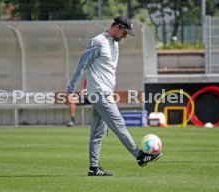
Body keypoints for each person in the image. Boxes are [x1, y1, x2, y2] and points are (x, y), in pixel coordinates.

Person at [66, 16, 162, 176]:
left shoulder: (114, 44)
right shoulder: (97, 42)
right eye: (124, 32)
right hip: (99, 93)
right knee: (119, 124)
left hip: (104, 93)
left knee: (97, 132)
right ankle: (140, 156)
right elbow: (82, 65)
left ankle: (93, 168)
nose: (125, 36)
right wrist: (70, 90)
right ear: (116, 27)